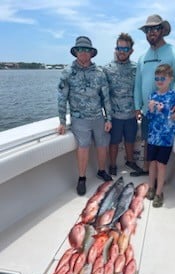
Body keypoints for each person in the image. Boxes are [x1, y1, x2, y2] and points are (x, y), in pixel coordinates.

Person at [130, 14, 175, 177]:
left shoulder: (173, 54)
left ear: (162, 30)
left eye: (155, 28)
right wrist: (137, 107)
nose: (151, 32)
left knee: (162, 146)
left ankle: (159, 179)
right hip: (147, 111)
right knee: (148, 142)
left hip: (166, 112)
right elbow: (137, 85)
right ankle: (147, 171)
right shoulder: (142, 58)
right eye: (148, 29)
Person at [57, 36, 112, 196]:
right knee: (83, 147)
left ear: (91, 53)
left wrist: (108, 118)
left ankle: (101, 171)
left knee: (102, 145)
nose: (83, 53)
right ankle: (82, 178)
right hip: (79, 119)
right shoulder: (67, 73)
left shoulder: (100, 73)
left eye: (87, 50)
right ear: (75, 52)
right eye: (80, 50)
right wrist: (62, 121)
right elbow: (62, 98)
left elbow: (105, 98)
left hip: (98, 117)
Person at [103, 33, 142, 176]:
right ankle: (112, 165)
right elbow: (103, 93)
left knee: (130, 140)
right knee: (114, 142)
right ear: (116, 49)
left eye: (125, 49)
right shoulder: (107, 69)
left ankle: (130, 161)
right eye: (119, 48)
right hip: (115, 115)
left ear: (131, 51)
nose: (121, 51)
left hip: (131, 114)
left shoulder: (137, 68)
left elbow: (141, 89)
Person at [146, 64, 175, 207]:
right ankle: (151, 188)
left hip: (166, 139)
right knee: (152, 163)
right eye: (157, 78)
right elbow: (149, 116)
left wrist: (165, 109)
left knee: (161, 165)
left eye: (163, 78)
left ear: (170, 79)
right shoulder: (152, 95)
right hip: (152, 136)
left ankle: (159, 193)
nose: (159, 81)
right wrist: (151, 109)